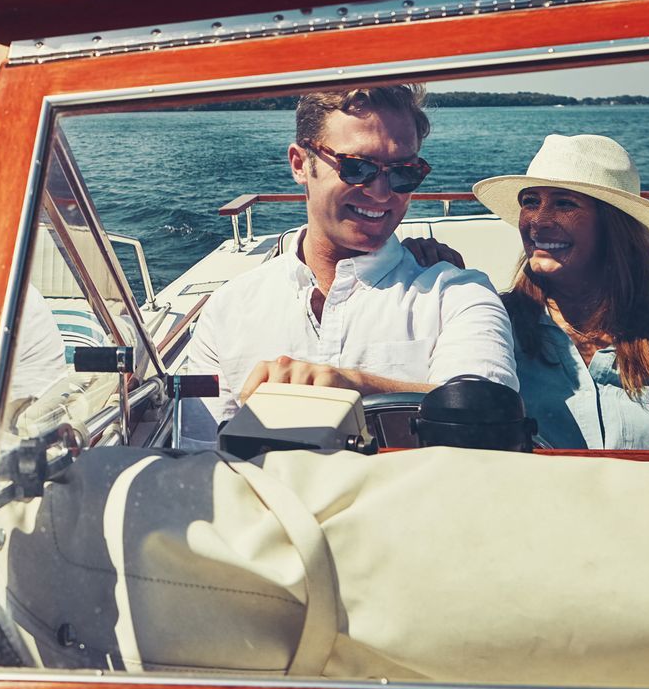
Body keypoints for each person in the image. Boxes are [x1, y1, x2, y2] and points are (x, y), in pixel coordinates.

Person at [183, 85, 516, 436]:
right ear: (300, 164)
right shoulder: (227, 310)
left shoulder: (458, 294)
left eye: (404, 173)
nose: (381, 192)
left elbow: (489, 414)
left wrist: (349, 387)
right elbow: (203, 450)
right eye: (357, 168)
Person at [471, 133, 649, 450]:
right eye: (530, 202)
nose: (538, 221)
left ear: (614, 227)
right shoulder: (490, 328)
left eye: (564, 203)